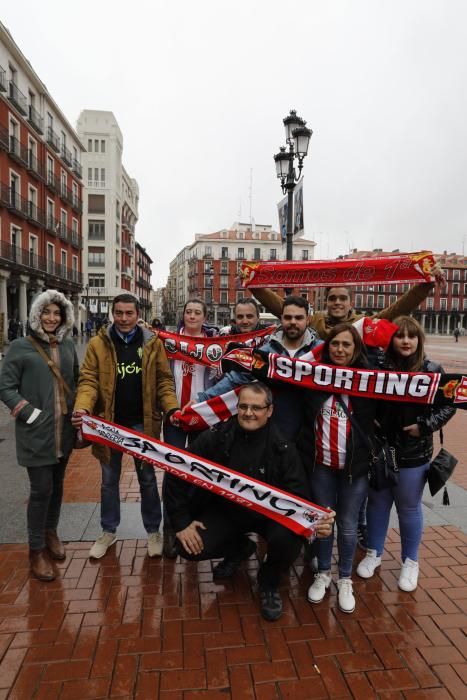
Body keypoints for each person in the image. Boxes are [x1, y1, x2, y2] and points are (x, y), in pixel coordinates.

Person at [164, 381, 335, 621]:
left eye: (256, 408)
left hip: (269, 519)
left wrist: (317, 524)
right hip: (226, 512)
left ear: (270, 411)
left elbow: (299, 497)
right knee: (188, 546)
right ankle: (240, 548)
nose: (248, 413)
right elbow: (176, 468)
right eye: (243, 406)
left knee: (288, 541)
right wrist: (181, 523)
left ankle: (269, 583)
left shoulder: (284, 447)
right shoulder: (217, 436)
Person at [71, 293, 178, 560]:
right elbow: (88, 380)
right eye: (118, 313)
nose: (124, 318)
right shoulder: (98, 344)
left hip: (143, 422)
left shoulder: (153, 343)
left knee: (147, 480)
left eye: (129, 313)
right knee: (108, 481)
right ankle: (108, 530)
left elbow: (164, 381)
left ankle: (153, 531)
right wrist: (83, 407)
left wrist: (172, 408)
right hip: (108, 424)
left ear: (138, 314)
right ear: (112, 314)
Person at [357, 316, 456, 591]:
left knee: (409, 507)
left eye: (411, 336)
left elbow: (448, 406)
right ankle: (374, 553)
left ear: (419, 340)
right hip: (381, 449)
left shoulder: (432, 369)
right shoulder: (376, 367)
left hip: (414, 452)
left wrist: (424, 426)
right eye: (400, 336)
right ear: (391, 339)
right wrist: (370, 421)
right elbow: (361, 398)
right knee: (377, 503)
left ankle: (410, 561)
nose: (405, 341)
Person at [0, 290, 79, 582]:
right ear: (36, 315)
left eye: (57, 313)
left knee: (57, 487)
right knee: (40, 490)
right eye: (46, 312)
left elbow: (78, 380)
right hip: (36, 433)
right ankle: (35, 550)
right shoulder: (21, 347)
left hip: (64, 432)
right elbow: (5, 386)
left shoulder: (69, 345)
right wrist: (28, 412)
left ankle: (51, 532)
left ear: (64, 317)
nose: (51, 318)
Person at [298, 323, 376, 614]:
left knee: (347, 526)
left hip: (354, 469)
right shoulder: (314, 380)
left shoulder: (370, 382)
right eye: (335, 344)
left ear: (356, 349)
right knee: (323, 523)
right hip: (322, 467)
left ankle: (345, 579)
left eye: (346, 345)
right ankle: (322, 574)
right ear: (326, 348)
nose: (340, 350)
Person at [253, 277, 440, 340]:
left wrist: (425, 285)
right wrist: (253, 283)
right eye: (332, 298)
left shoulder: (361, 323)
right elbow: (281, 307)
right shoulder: (315, 320)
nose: (337, 302)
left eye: (343, 298)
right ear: (326, 302)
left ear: (351, 302)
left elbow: (397, 310)